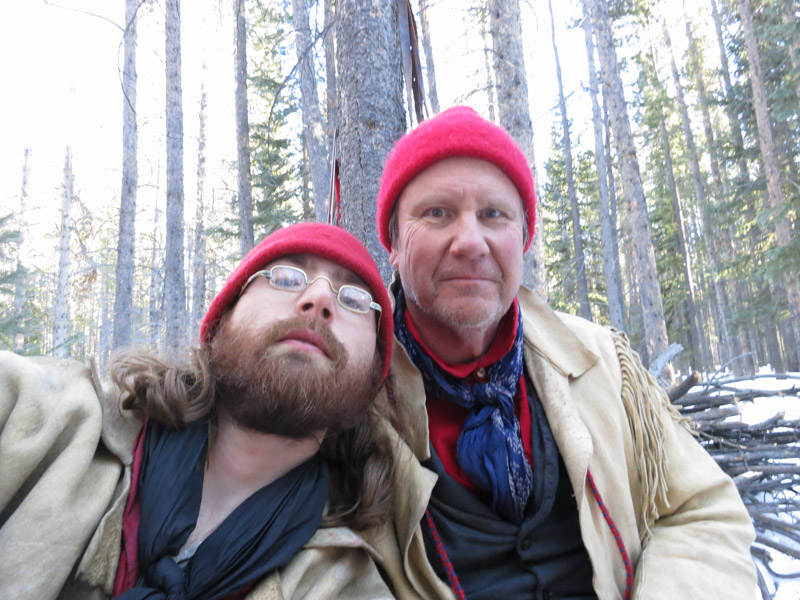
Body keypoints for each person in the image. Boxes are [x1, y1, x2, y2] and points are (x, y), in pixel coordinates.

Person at [364, 106, 757, 599]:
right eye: (437, 213)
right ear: (393, 242)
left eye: (493, 214)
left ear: (523, 238)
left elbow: (702, 511)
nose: (470, 242)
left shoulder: (599, 362)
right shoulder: (355, 394)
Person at [0, 222, 399, 600]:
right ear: (222, 320)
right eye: (285, 277)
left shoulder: (348, 582)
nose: (320, 298)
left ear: (372, 375)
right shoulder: (43, 415)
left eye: (354, 300)